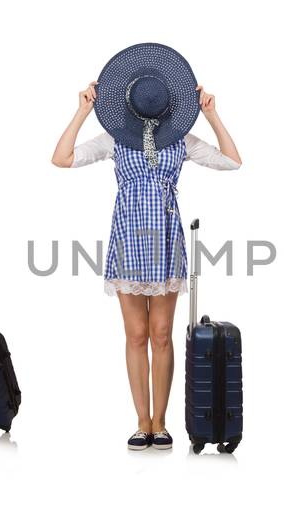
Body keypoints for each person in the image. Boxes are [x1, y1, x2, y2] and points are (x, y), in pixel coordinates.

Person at [51, 43, 242, 451]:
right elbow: (61, 158)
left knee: (161, 334)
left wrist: (212, 114)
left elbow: (232, 160)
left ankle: (161, 421)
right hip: (128, 242)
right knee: (135, 334)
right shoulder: (114, 140)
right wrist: (83, 110)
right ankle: (141, 421)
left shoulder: (181, 140)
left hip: (166, 240)